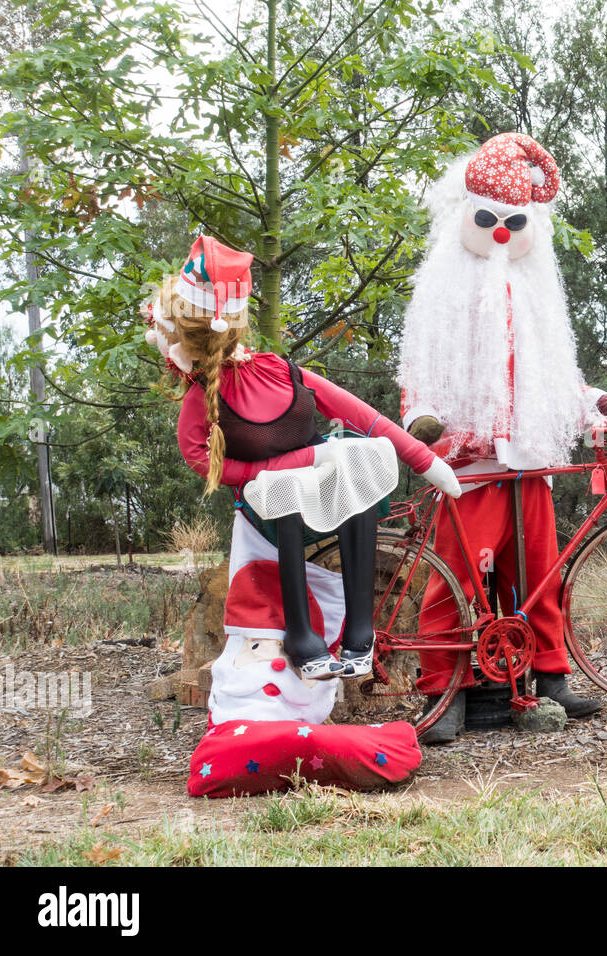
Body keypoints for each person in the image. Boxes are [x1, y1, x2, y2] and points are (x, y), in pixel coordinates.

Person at [396, 133, 607, 744]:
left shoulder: (536, 298)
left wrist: (594, 408)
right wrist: (421, 420)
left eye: (515, 221)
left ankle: (548, 675)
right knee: (453, 578)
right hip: (469, 463)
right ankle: (443, 694)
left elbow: (558, 377)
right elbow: (420, 374)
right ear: (465, 216)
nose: (502, 233)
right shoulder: (441, 294)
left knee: (538, 572)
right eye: (488, 220)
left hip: (528, 461)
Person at [154, 235, 460, 682]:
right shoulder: (202, 396)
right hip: (267, 502)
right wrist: (265, 472)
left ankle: (361, 632)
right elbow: (200, 459)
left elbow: (362, 415)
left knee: (354, 461)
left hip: (322, 479)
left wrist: (421, 458)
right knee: (286, 492)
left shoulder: (281, 370)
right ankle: (302, 635)